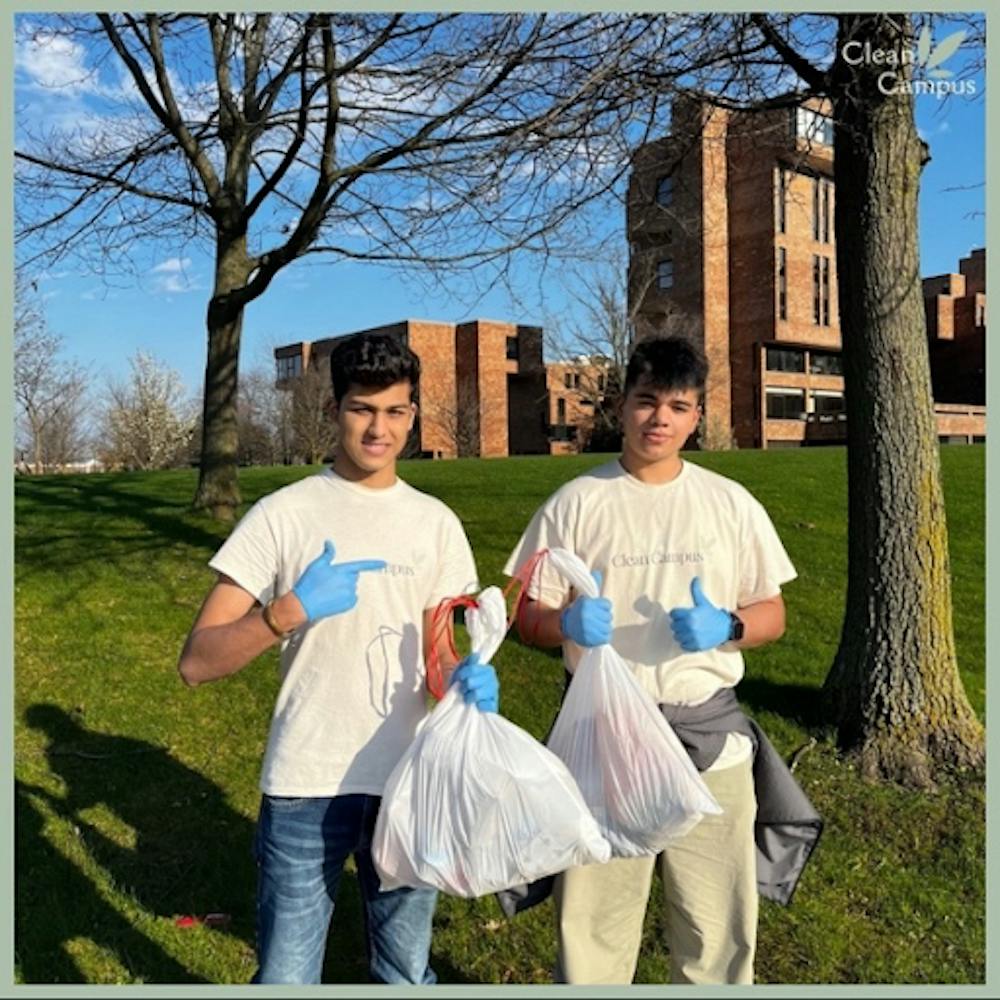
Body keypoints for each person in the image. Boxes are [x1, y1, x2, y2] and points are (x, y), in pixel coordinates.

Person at [177, 332, 498, 985]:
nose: (378, 428)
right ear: (334, 411)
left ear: (413, 415)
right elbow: (197, 661)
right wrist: (284, 612)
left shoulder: (437, 524)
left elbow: (438, 653)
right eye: (362, 409)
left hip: (410, 783)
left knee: (404, 973)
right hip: (306, 783)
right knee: (288, 977)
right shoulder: (282, 516)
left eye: (395, 411)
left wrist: (461, 679)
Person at [504, 335, 798, 985]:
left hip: (708, 740)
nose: (660, 418)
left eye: (678, 405)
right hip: (606, 742)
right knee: (593, 930)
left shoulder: (729, 504)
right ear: (621, 406)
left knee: (714, 928)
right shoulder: (576, 504)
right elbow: (524, 616)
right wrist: (563, 623)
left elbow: (772, 612)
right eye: (646, 401)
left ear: (696, 416)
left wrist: (729, 625)